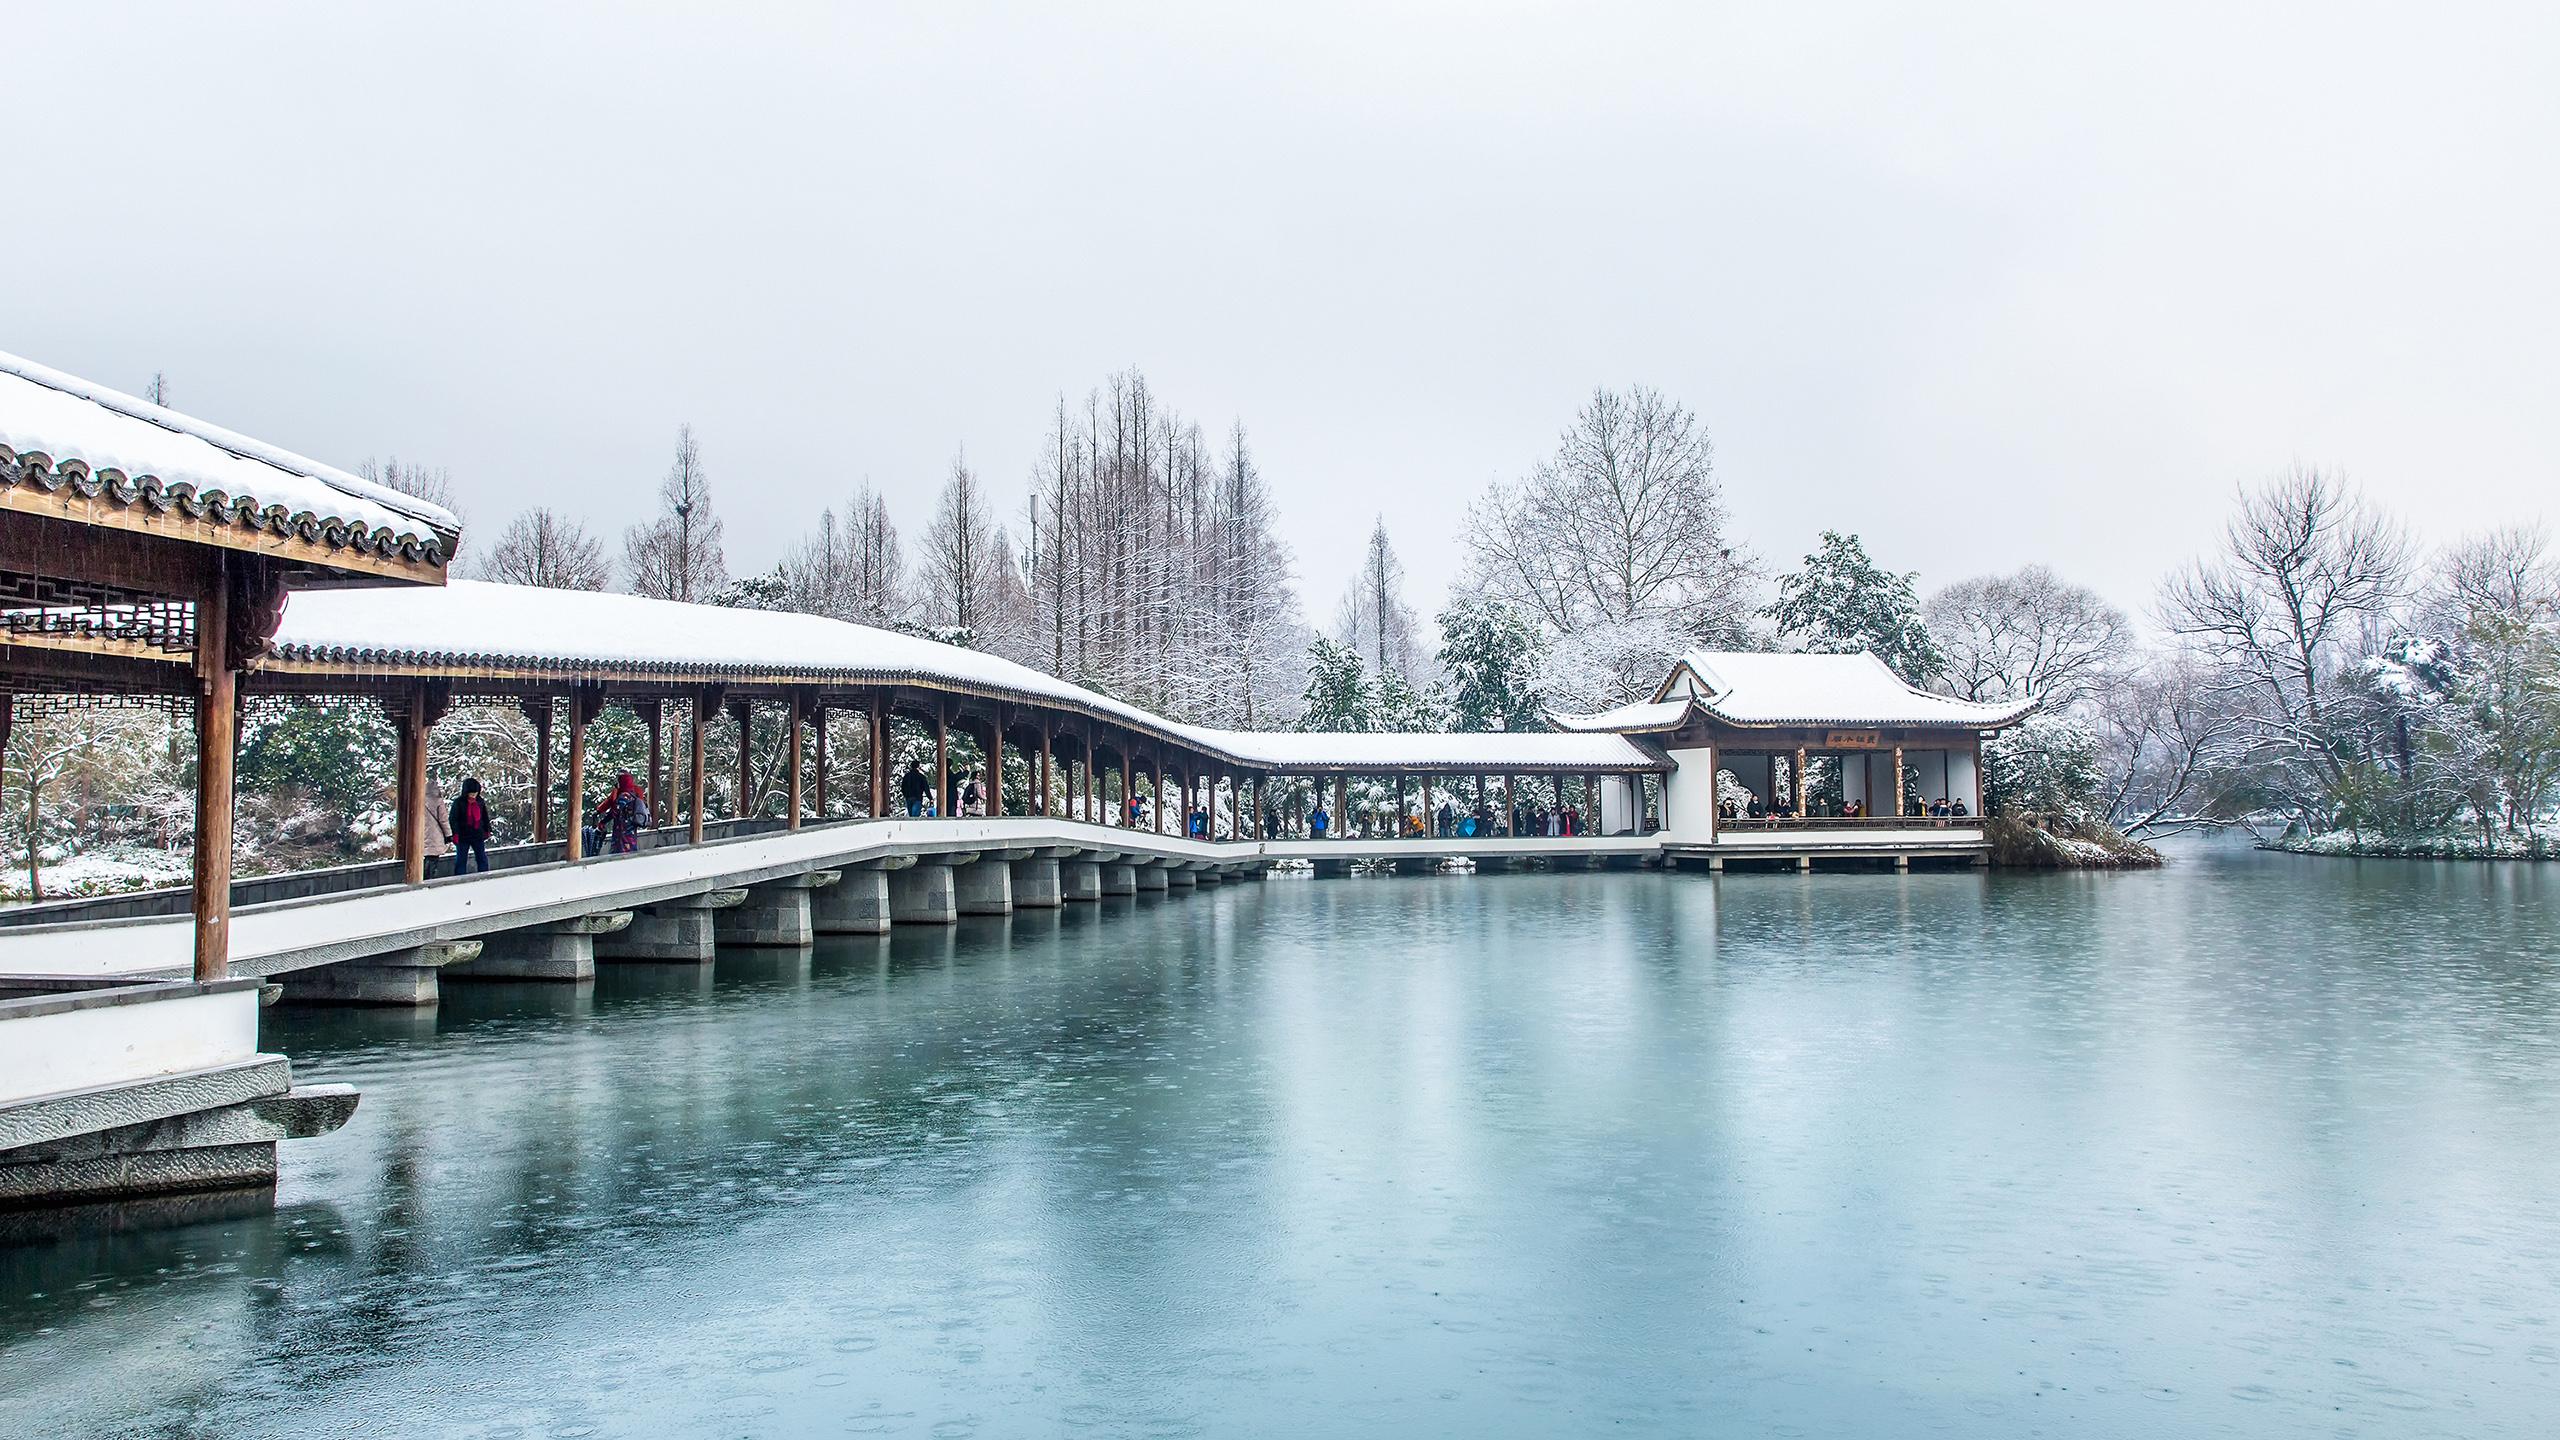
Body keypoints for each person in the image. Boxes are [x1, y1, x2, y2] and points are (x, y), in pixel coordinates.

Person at [594, 771, 649, 854]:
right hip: (631, 830)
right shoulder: (634, 793)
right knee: (630, 849)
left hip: (622, 831)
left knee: (620, 852)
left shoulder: (624, 796)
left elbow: (614, 811)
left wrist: (603, 821)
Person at [447, 777, 493, 875]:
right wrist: (455, 833)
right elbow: (453, 819)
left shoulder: (480, 801)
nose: (473, 795)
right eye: (471, 793)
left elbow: (484, 816)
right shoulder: (458, 802)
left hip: (477, 834)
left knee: (482, 857)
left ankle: (485, 875)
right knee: (461, 859)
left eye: (475, 793)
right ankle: (459, 878)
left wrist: (487, 830)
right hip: (463, 835)